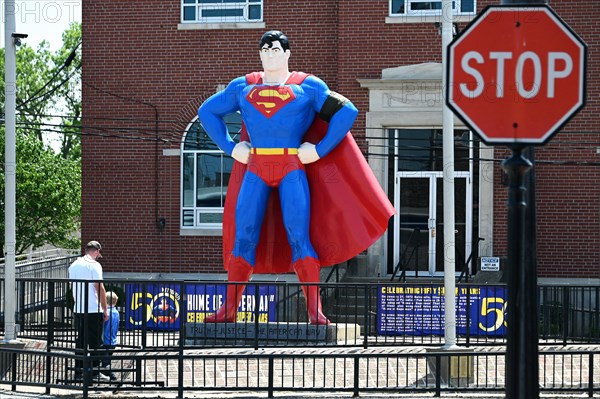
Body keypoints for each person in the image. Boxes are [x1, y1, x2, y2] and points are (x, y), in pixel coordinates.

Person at [198, 31, 394, 325]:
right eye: (265, 49)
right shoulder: (243, 86)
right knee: (244, 237)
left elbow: (346, 111)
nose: (270, 54)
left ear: (287, 53)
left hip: (291, 167)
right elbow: (207, 111)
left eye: (276, 49)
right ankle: (229, 309)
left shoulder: (308, 86)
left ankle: (315, 311)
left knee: (299, 238)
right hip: (256, 166)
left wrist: (318, 150)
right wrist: (230, 147)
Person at [69, 240, 109, 380]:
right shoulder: (94, 265)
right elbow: (100, 287)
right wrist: (105, 309)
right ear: (97, 251)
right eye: (99, 254)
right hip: (93, 309)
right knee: (95, 342)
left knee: (81, 341)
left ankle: (79, 371)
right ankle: (94, 372)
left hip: (79, 308)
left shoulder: (73, 265)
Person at [101, 291, 119, 381]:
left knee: (105, 362)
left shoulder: (106, 312)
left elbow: (102, 324)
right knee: (107, 359)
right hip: (113, 340)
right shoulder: (116, 312)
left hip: (105, 340)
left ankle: (113, 377)